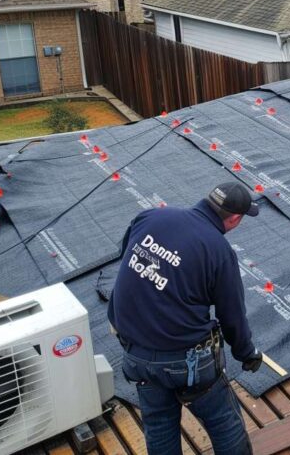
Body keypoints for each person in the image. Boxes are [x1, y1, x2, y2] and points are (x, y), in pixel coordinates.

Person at [108, 183, 262, 455]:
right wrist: (246, 353)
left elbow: (126, 261)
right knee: (224, 422)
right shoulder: (219, 251)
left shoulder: (151, 216)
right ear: (236, 218)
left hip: (137, 356)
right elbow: (232, 315)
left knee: (159, 425)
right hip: (188, 362)